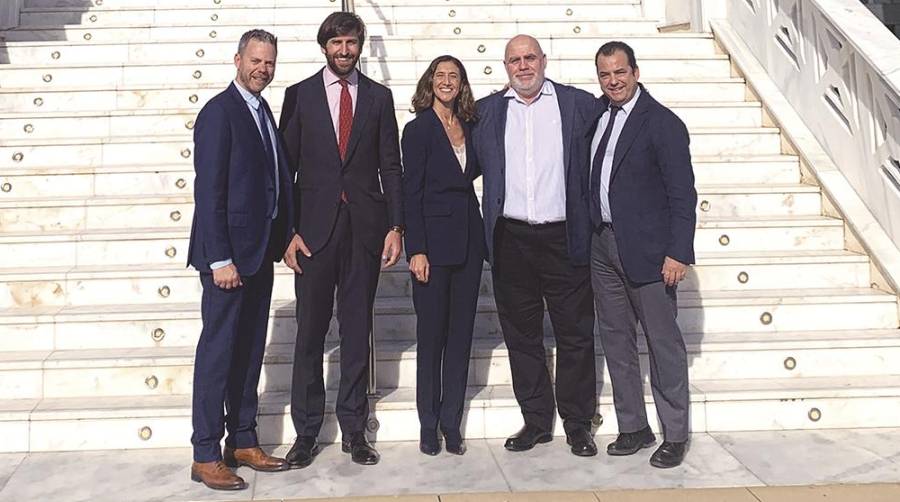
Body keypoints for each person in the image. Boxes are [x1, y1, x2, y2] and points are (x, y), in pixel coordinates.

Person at [278, 11, 403, 467]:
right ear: (324, 46)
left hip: (365, 231)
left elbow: (391, 165)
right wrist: (285, 233)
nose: (344, 50)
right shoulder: (300, 96)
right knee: (310, 334)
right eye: (337, 43)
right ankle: (306, 433)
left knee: (356, 333)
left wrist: (396, 225)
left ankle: (355, 430)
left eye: (351, 42)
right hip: (313, 234)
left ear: (361, 45)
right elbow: (283, 170)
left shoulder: (378, 97)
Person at [471, 35, 601, 457]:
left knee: (575, 333)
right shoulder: (489, 111)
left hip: (563, 236)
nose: (523, 66)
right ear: (504, 66)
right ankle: (536, 419)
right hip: (511, 238)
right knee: (521, 335)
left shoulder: (577, 104)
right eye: (514, 60)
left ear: (544, 60)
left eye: (530, 58)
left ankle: (578, 422)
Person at [186, 29, 291, 491]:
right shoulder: (218, 112)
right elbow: (208, 193)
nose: (262, 69)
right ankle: (206, 452)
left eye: (269, 62)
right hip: (227, 260)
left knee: (249, 351)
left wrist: (283, 236)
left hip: (259, 253)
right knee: (218, 353)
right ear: (237, 60)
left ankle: (243, 439)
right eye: (255, 61)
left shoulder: (263, 109)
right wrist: (219, 258)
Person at [588, 41, 697, 468]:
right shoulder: (597, 115)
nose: (612, 81)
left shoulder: (662, 122)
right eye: (604, 74)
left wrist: (678, 252)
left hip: (651, 252)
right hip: (602, 244)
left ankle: (675, 433)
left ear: (635, 71)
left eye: (619, 72)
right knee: (615, 340)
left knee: (662, 343)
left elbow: (682, 194)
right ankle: (633, 426)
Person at [401, 55, 486, 457]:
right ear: (429, 82)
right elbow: (410, 192)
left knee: (460, 337)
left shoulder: (470, 125)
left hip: (468, 241)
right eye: (441, 75)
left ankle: (451, 422)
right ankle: (428, 424)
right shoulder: (417, 130)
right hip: (432, 246)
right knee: (431, 337)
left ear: (462, 83)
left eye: (454, 76)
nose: (447, 82)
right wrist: (416, 249)